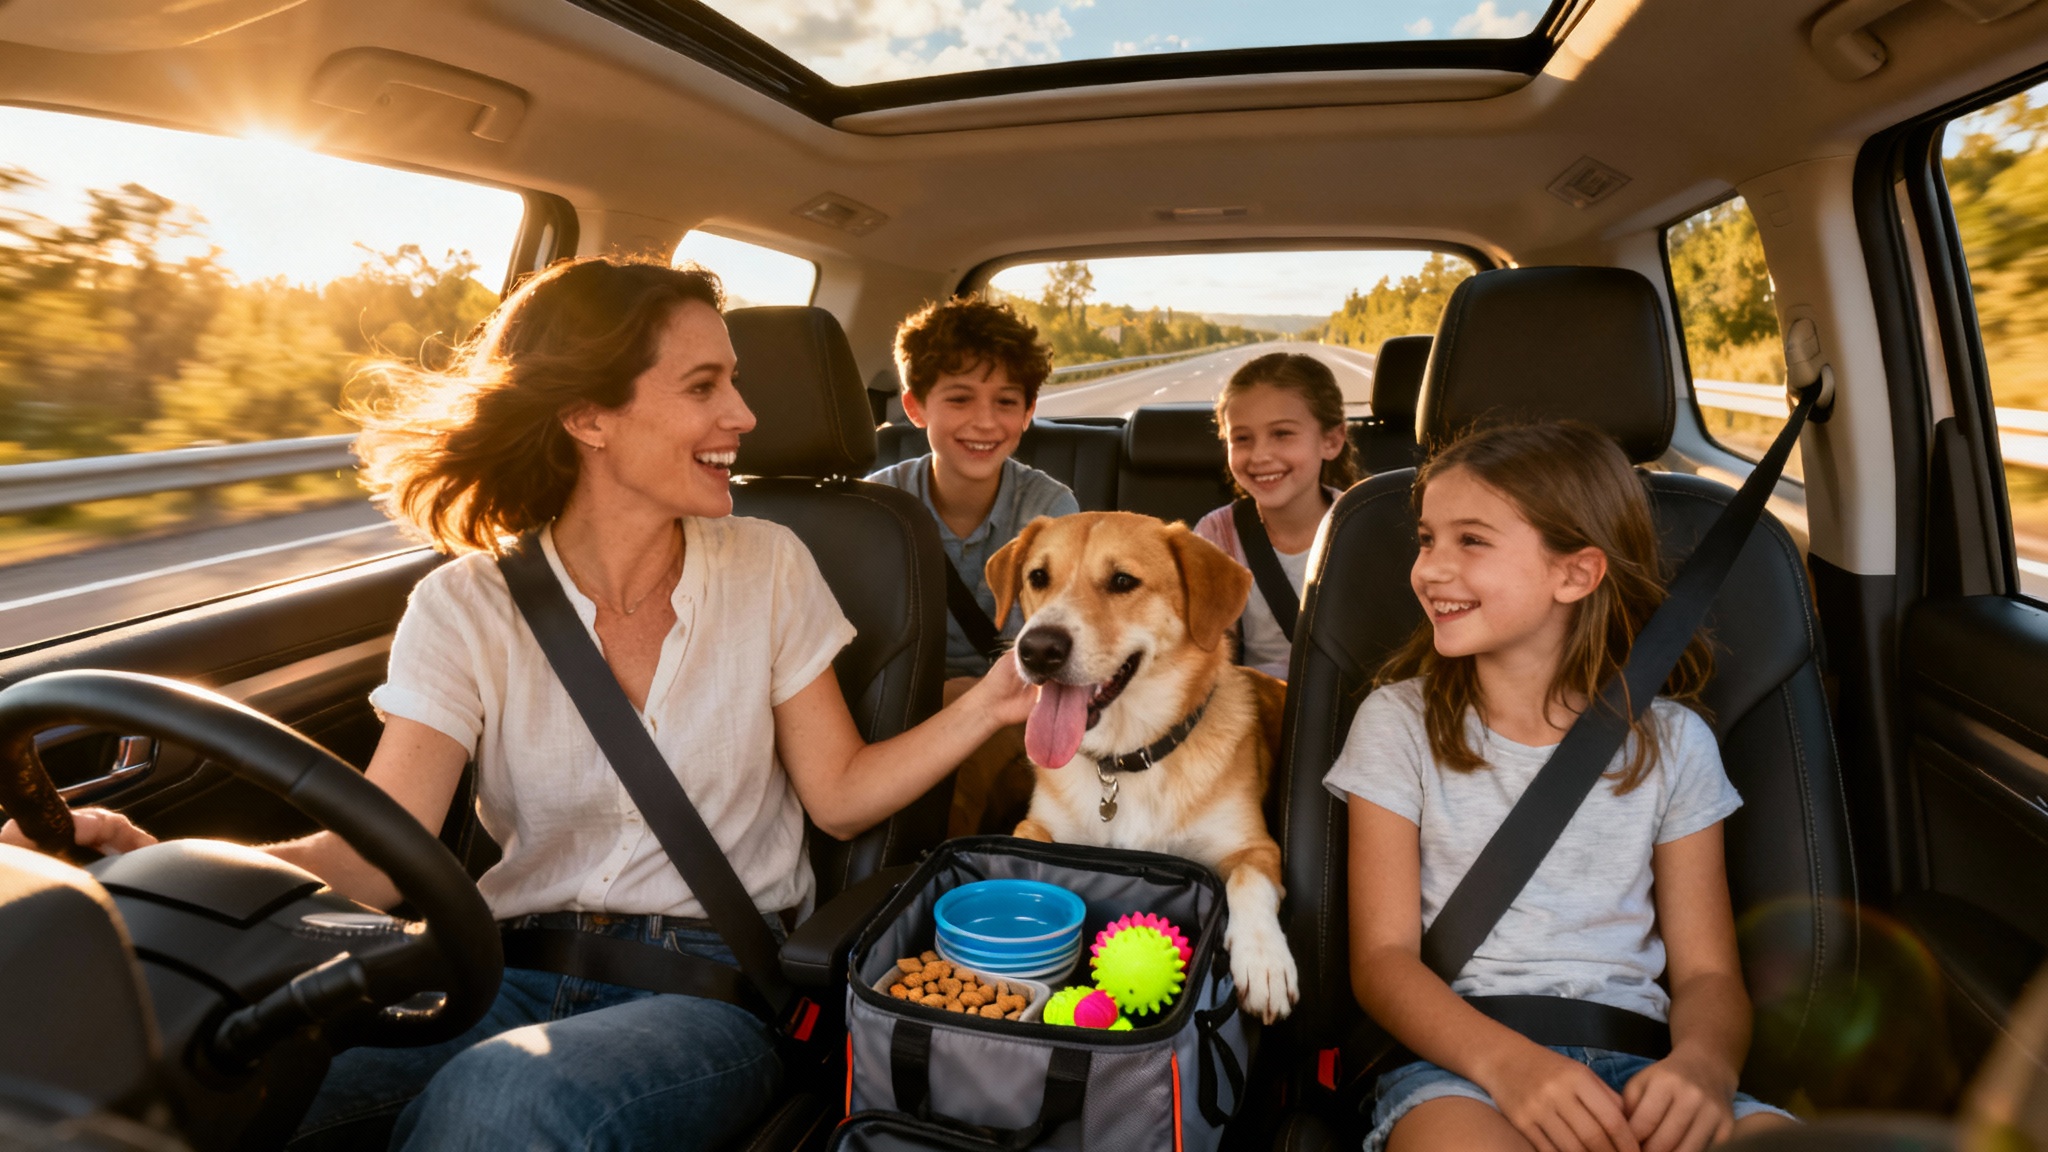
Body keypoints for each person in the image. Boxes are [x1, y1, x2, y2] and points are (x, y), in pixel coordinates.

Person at [4, 256, 1037, 1152]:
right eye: (705, 385)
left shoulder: (770, 564)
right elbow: (370, 857)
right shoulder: (464, 603)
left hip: (709, 990)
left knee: (508, 1095)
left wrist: (992, 699)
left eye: (737, 382)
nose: (743, 417)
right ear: (588, 415)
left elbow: (843, 798)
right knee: (209, 1078)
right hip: (490, 963)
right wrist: (155, 863)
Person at [1323, 422, 1796, 1152]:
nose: (1430, 569)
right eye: (1426, 539)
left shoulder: (1673, 743)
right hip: (1462, 1071)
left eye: (1471, 541)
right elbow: (1382, 962)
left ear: (1574, 574)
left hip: (1646, 1068)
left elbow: (1707, 972)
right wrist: (1508, 1066)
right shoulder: (1397, 724)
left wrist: (1703, 1067)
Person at [866, 295, 1077, 836]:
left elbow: (1058, 645)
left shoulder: (1049, 512)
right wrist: (939, 697)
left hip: (1014, 702)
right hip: (904, 706)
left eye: (1007, 402)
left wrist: (975, 698)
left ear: (1029, 412)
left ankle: (942, 872)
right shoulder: (878, 507)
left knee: (968, 775)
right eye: (959, 399)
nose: (985, 422)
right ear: (915, 407)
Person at [1193, 352, 1357, 678]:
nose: (1260, 455)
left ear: (1331, 440)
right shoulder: (1217, 534)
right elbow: (1207, 655)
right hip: (1256, 711)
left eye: (1282, 434)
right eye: (1242, 439)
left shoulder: (1362, 527)